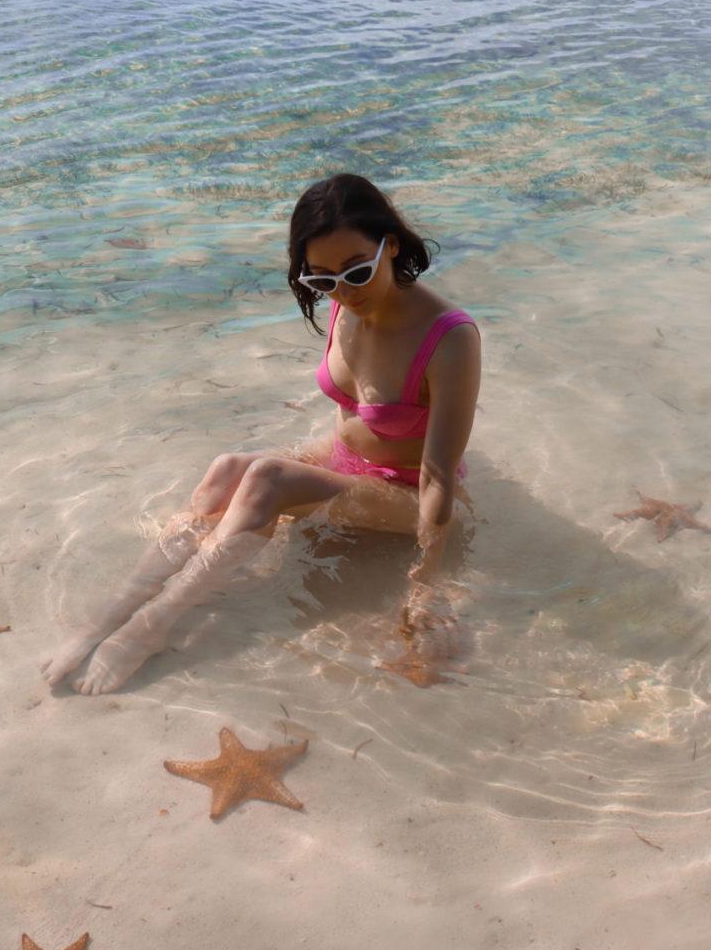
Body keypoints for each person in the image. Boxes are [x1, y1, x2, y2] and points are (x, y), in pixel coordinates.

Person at [40, 173, 481, 696]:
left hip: (409, 494)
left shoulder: (450, 338)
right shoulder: (346, 298)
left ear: (392, 244)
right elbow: (356, 416)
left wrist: (424, 588)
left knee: (267, 479)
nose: (340, 291)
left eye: (357, 272)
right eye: (321, 281)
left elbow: (437, 481)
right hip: (347, 464)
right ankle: (108, 616)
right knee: (229, 469)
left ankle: (152, 626)